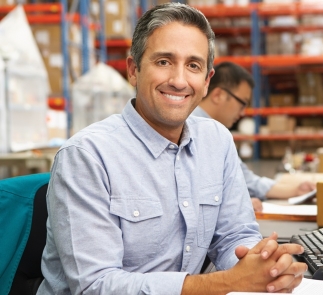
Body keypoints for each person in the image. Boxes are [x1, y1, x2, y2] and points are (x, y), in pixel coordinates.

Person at [37, 3, 307, 295]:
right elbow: (96, 286)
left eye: (193, 65)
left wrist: (264, 267)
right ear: (133, 70)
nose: (179, 81)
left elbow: (234, 236)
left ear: (206, 81)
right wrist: (228, 282)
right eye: (164, 61)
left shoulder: (217, 141)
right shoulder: (87, 156)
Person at [192, 62, 316, 212]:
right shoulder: (194, 129)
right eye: (242, 103)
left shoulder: (216, 133)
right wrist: (231, 205)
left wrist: (295, 190)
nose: (243, 112)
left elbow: (244, 179)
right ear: (218, 95)